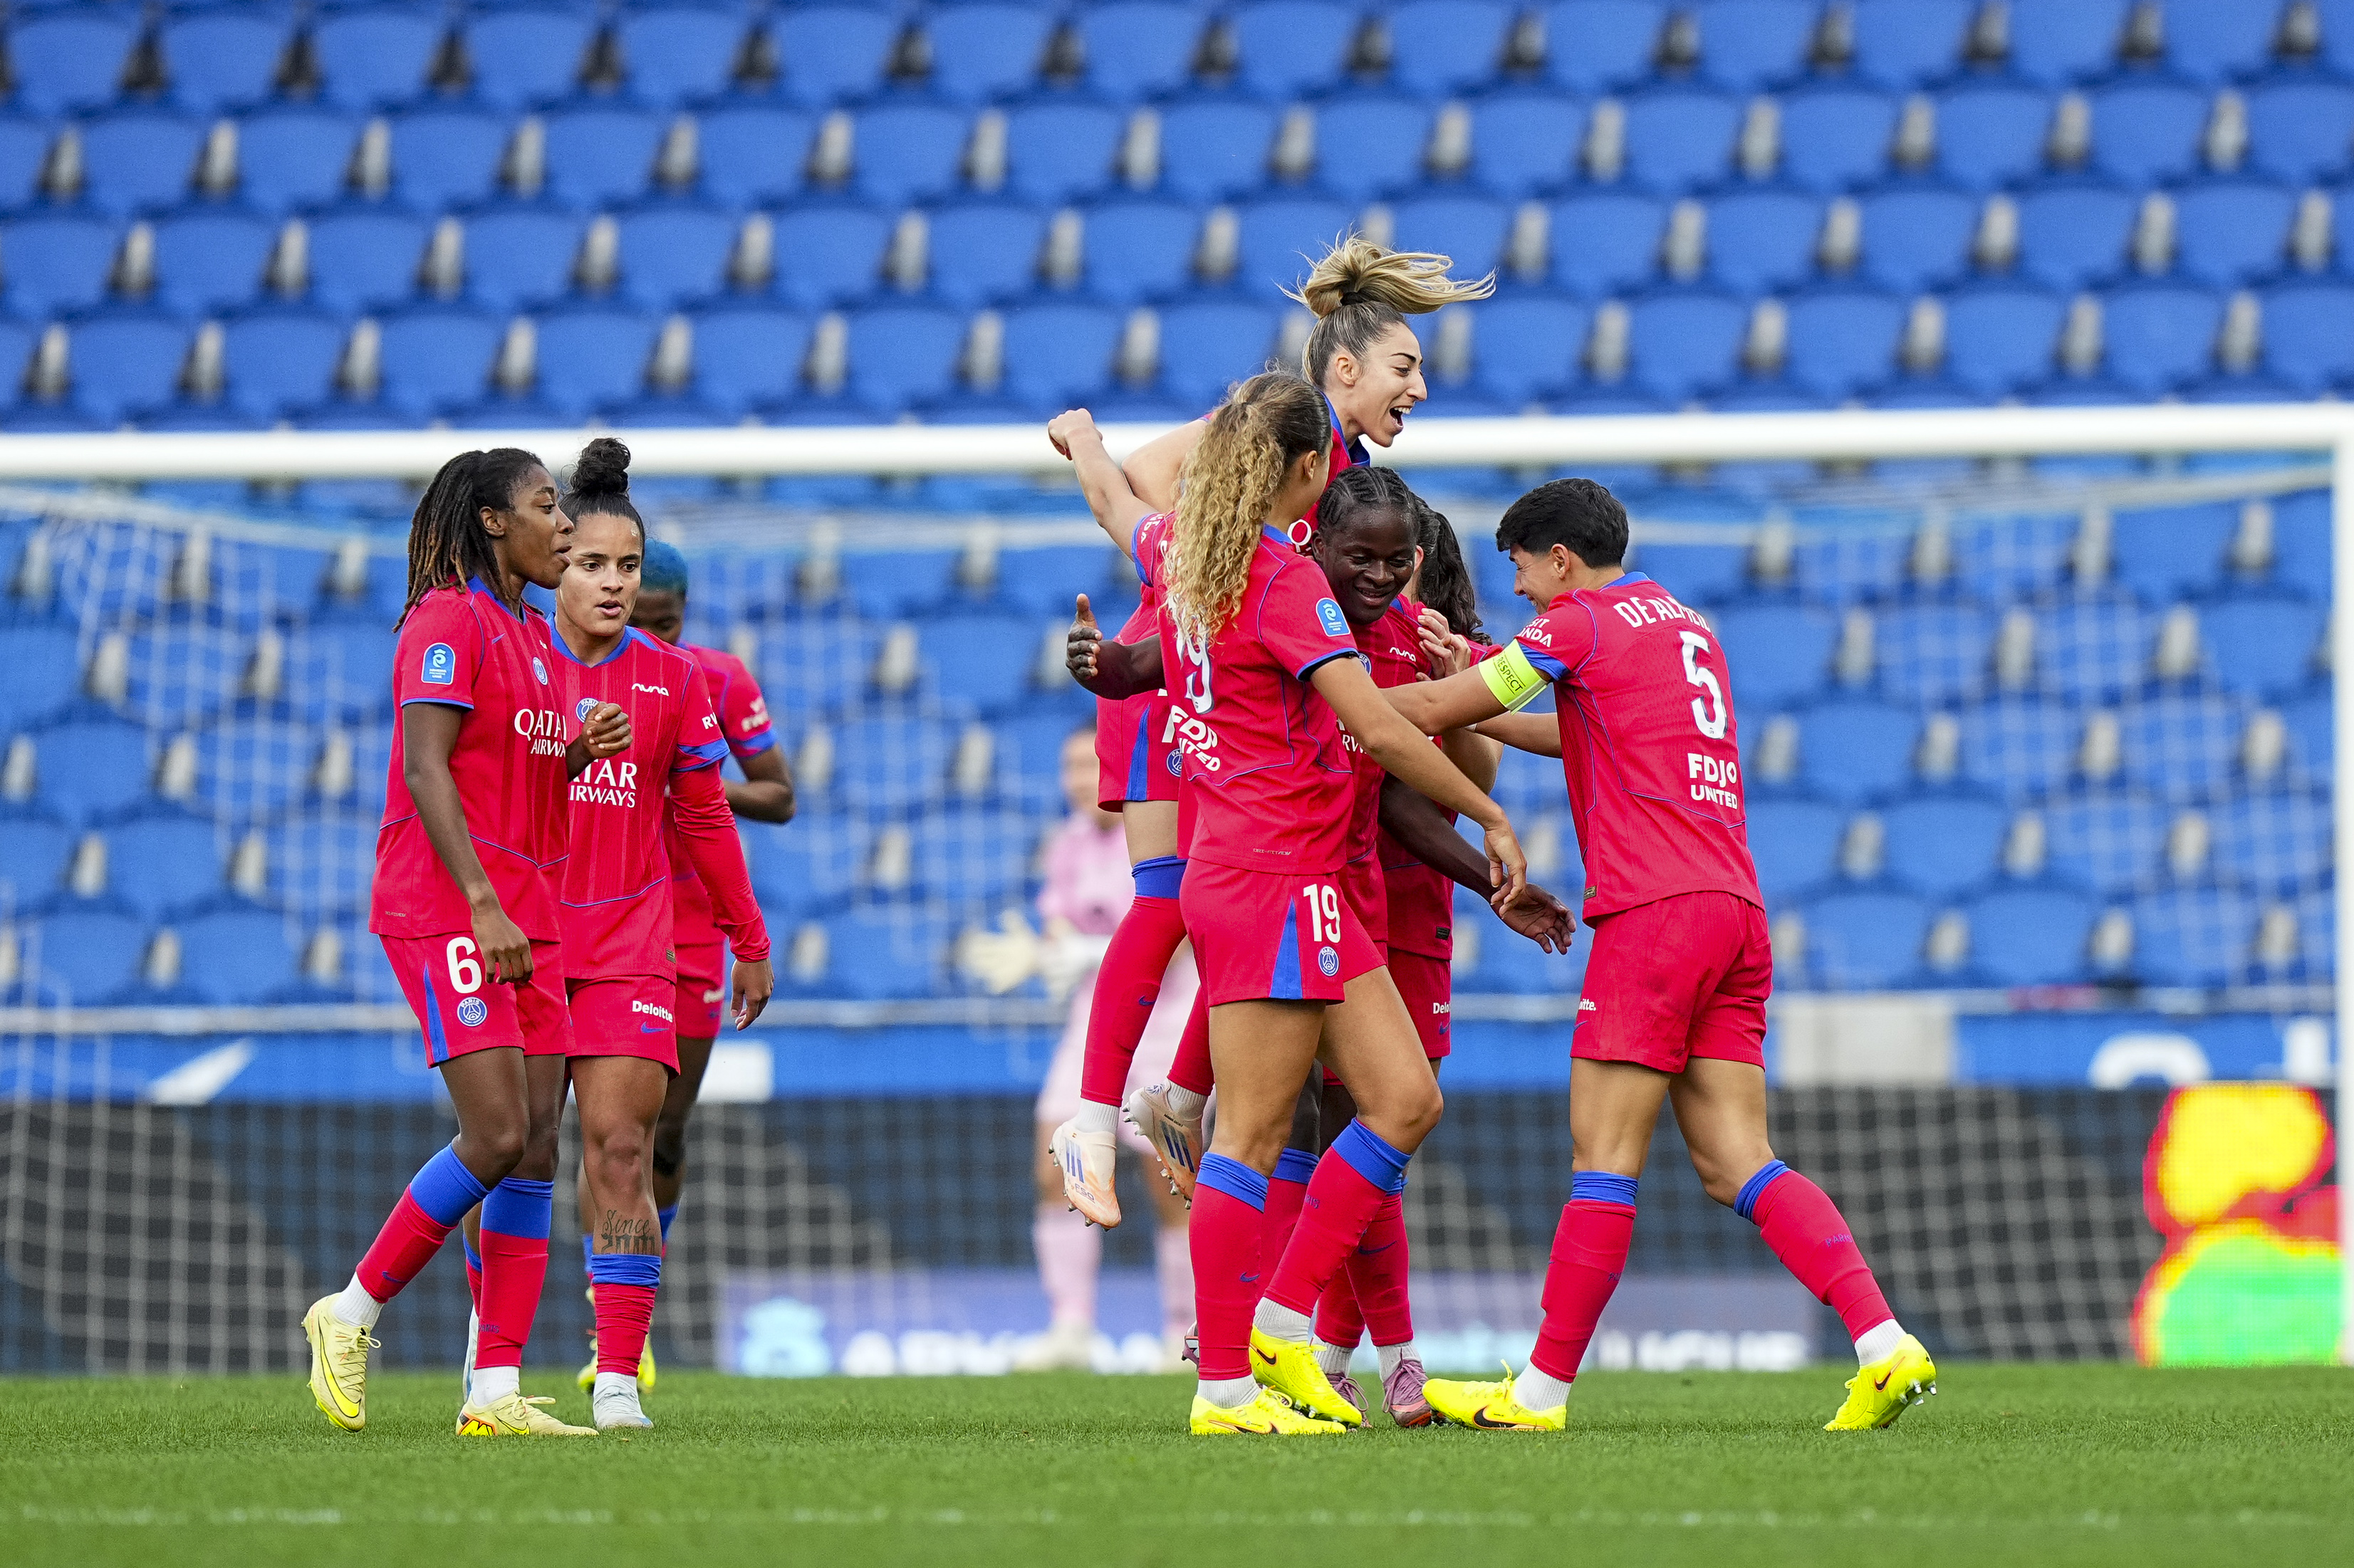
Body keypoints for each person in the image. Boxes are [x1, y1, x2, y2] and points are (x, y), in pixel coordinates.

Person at [1379, 477, 1937, 1433]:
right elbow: (1579, 729)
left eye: (1519, 569)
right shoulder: (1683, 622)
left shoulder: (1579, 623)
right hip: (1733, 910)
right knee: (1736, 1160)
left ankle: (1540, 1392)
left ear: (1560, 558)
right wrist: (1475, 665)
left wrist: (1320, 690)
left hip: (1653, 914)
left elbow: (1434, 707)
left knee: (1602, 1156)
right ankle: (1884, 1342)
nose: (1516, 590)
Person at [1046, 375, 1532, 1437]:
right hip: (1268, 876)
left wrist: (1083, 445)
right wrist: (1488, 819)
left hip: (1284, 877)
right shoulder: (1284, 582)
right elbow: (1387, 730)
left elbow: (1120, 509)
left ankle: (1272, 1320)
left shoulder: (1185, 556)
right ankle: (1225, 1386)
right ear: (1311, 471)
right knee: (1255, 1138)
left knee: (1402, 1099)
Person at [1041, 234, 1494, 1229]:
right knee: (1175, 901)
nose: (1420, 387)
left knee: (1253, 894)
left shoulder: (1339, 473)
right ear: (1344, 367)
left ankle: (1173, 1096)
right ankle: (1092, 1115)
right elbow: (1149, 476)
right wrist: (1220, 570)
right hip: (1178, 680)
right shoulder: (1293, 439)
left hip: (1213, 682)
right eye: (1405, 367)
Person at [303, 447, 623, 1439]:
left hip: (529, 907)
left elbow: (509, 773)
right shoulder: (446, 619)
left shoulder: (531, 633)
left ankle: (493, 1390)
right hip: (452, 904)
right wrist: (482, 901)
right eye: (544, 507)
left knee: (532, 1148)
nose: (564, 526)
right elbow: (428, 769)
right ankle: (349, 1310)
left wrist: (572, 751)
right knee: (492, 1133)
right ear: (491, 520)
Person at [541, 439, 775, 1431]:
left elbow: (720, 811)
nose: (617, 587)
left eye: (628, 569)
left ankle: (620, 1365)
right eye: (595, 565)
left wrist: (747, 932)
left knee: (630, 1144)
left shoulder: (680, 680)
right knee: (507, 1151)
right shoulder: (508, 659)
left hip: (647, 940)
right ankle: (492, 1358)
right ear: (555, 562)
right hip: (528, 939)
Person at [974, 724, 1195, 1371]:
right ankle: (1070, 1329)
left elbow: (1179, 940)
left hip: (1168, 1021)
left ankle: (1184, 1330)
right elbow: (1059, 932)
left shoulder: (1163, 828)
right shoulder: (1067, 845)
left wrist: (1080, 952)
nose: (1077, 780)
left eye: (1087, 765)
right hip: (1094, 1024)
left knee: (1171, 1179)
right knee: (1055, 1161)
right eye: (1068, 767)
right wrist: (1049, 957)